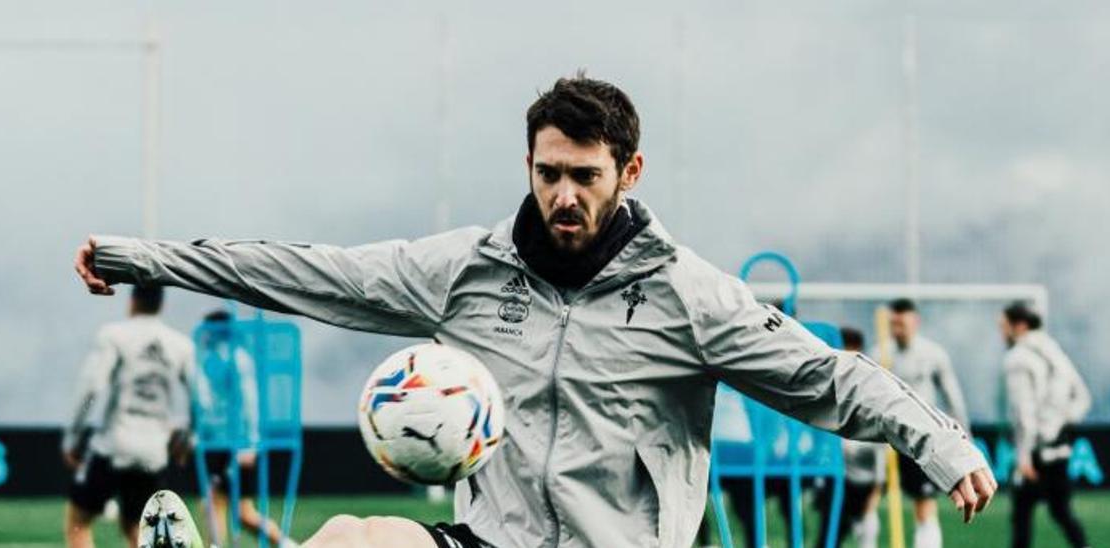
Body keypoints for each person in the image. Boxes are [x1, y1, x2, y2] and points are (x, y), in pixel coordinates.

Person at [75, 74, 996, 548]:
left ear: (628, 173)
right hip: (491, 540)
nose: (563, 194)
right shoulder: (466, 272)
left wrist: (940, 442)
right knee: (360, 536)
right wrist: (135, 258)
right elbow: (307, 273)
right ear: (528, 163)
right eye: (548, 172)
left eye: (584, 176)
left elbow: (823, 375)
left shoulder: (688, 296)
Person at [63, 286, 196, 548]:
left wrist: (74, 436)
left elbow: (93, 388)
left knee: (78, 522)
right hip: (153, 453)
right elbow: (201, 402)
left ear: (132, 301)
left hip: (114, 446)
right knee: (136, 529)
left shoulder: (115, 335)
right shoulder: (181, 345)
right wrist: (186, 440)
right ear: (161, 304)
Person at [193, 310, 293, 546]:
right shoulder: (210, 358)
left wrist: (249, 444)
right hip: (217, 441)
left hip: (236, 443)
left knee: (225, 506)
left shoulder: (237, 359)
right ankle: (286, 544)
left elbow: (249, 402)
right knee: (231, 508)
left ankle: (284, 543)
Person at [1000, 302, 1091, 548]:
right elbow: (1082, 397)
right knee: (1061, 513)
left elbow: (1023, 413)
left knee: (1021, 516)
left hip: (1035, 452)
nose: (1001, 333)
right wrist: (1059, 422)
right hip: (1059, 448)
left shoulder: (1017, 358)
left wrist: (1023, 457)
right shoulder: (1054, 351)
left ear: (1018, 326)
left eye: (1003, 326)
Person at [884, 298, 970, 548]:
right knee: (864, 503)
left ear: (915, 322)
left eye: (902, 322)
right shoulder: (881, 353)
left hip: (922, 439)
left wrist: (964, 438)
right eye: (893, 323)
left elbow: (953, 397)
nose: (897, 328)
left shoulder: (933, 354)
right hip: (886, 440)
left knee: (924, 503)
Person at [814, 327, 885, 548]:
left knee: (867, 530)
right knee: (829, 536)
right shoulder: (825, 385)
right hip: (836, 479)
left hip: (862, 483)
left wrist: (873, 497)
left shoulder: (869, 391)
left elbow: (879, 457)